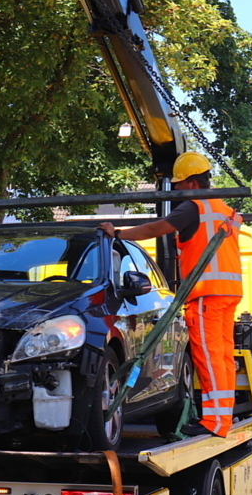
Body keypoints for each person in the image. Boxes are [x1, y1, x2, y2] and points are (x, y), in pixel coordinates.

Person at [99, 151, 243, 437]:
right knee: (223, 356)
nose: (175, 189)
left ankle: (215, 423)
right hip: (228, 291)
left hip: (205, 292)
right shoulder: (224, 208)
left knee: (209, 356)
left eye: (178, 183)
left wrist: (117, 234)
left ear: (191, 182)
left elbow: (157, 227)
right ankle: (222, 418)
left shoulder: (194, 207)